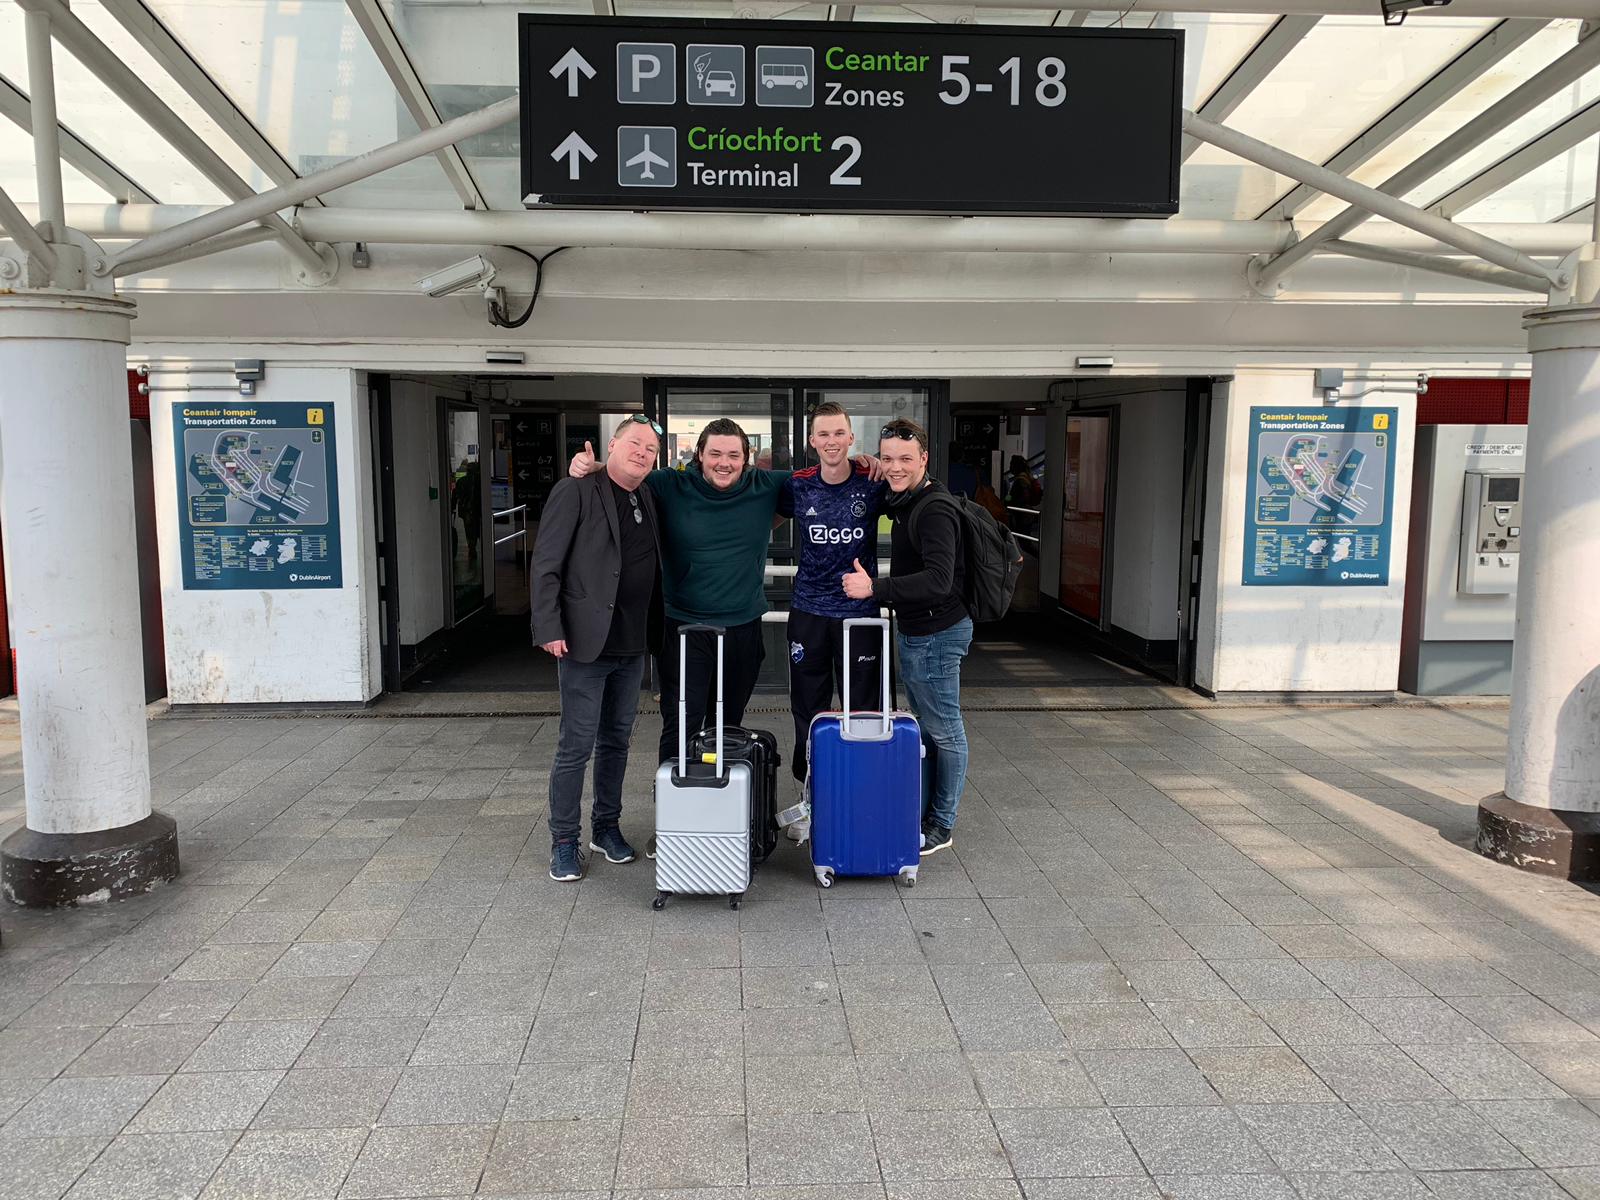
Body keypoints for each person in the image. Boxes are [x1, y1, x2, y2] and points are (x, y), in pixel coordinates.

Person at [531, 415, 663, 882]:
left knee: (617, 741)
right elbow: (546, 562)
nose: (642, 453)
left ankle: (605, 827)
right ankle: (563, 841)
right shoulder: (577, 489)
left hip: (632, 644)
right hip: (584, 642)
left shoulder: (647, 494)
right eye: (635, 444)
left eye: (651, 449)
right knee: (576, 746)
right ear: (612, 445)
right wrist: (548, 625)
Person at [843, 417, 971, 857]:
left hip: (937, 635)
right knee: (930, 730)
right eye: (888, 458)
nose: (895, 467)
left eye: (905, 459)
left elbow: (938, 580)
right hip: (921, 631)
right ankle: (927, 812)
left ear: (924, 459)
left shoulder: (934, 509)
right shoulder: (907, 498)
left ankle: (942, 823)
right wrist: (866, 464)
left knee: (946, 732)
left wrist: (874, 588)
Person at [778, 403, 887, 836]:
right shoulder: (797, 485)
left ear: (851, 438)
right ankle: (811, 800)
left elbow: (914, 491)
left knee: (864, 709)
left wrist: (880, 463)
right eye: (823, 434)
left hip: (860, 618)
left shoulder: (872, 482)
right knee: (809, 711)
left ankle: (860, 799)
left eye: (839, 433)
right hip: (809, 614)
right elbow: (758, 513)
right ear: (812, 441)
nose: (831, 442)